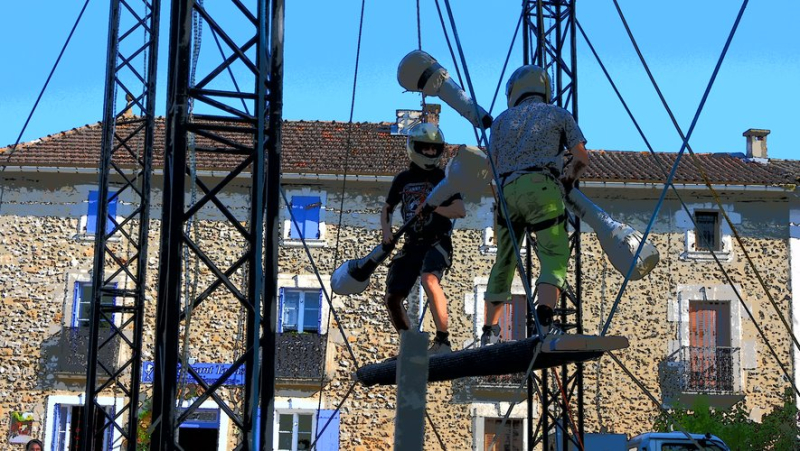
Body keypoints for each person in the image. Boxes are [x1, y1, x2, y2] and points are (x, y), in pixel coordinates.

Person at [482, 65, 589, 345]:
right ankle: (544, 323)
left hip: (506, 191)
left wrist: (501, 202)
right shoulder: (558, 114)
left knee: (504, 259)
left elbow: (490, 169)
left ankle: (489, 332)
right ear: (546, 90)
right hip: (543, 187)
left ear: (513, 91)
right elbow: (581, 158)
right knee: (554, 255)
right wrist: (567, 180)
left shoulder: (500, 122)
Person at [381, 122, 466, 355]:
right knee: (392, 298)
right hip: (411, 244)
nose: (429, 153)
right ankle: (411, 346)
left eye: (433, 149)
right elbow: (387, 208)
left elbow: (460, 209)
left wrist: (433, 209)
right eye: (425, 148)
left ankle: (443, 340)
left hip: (436, 240)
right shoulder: (403, 179)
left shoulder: (443, 178)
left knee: (429, 279)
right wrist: (387, 233)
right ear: (414, 147)